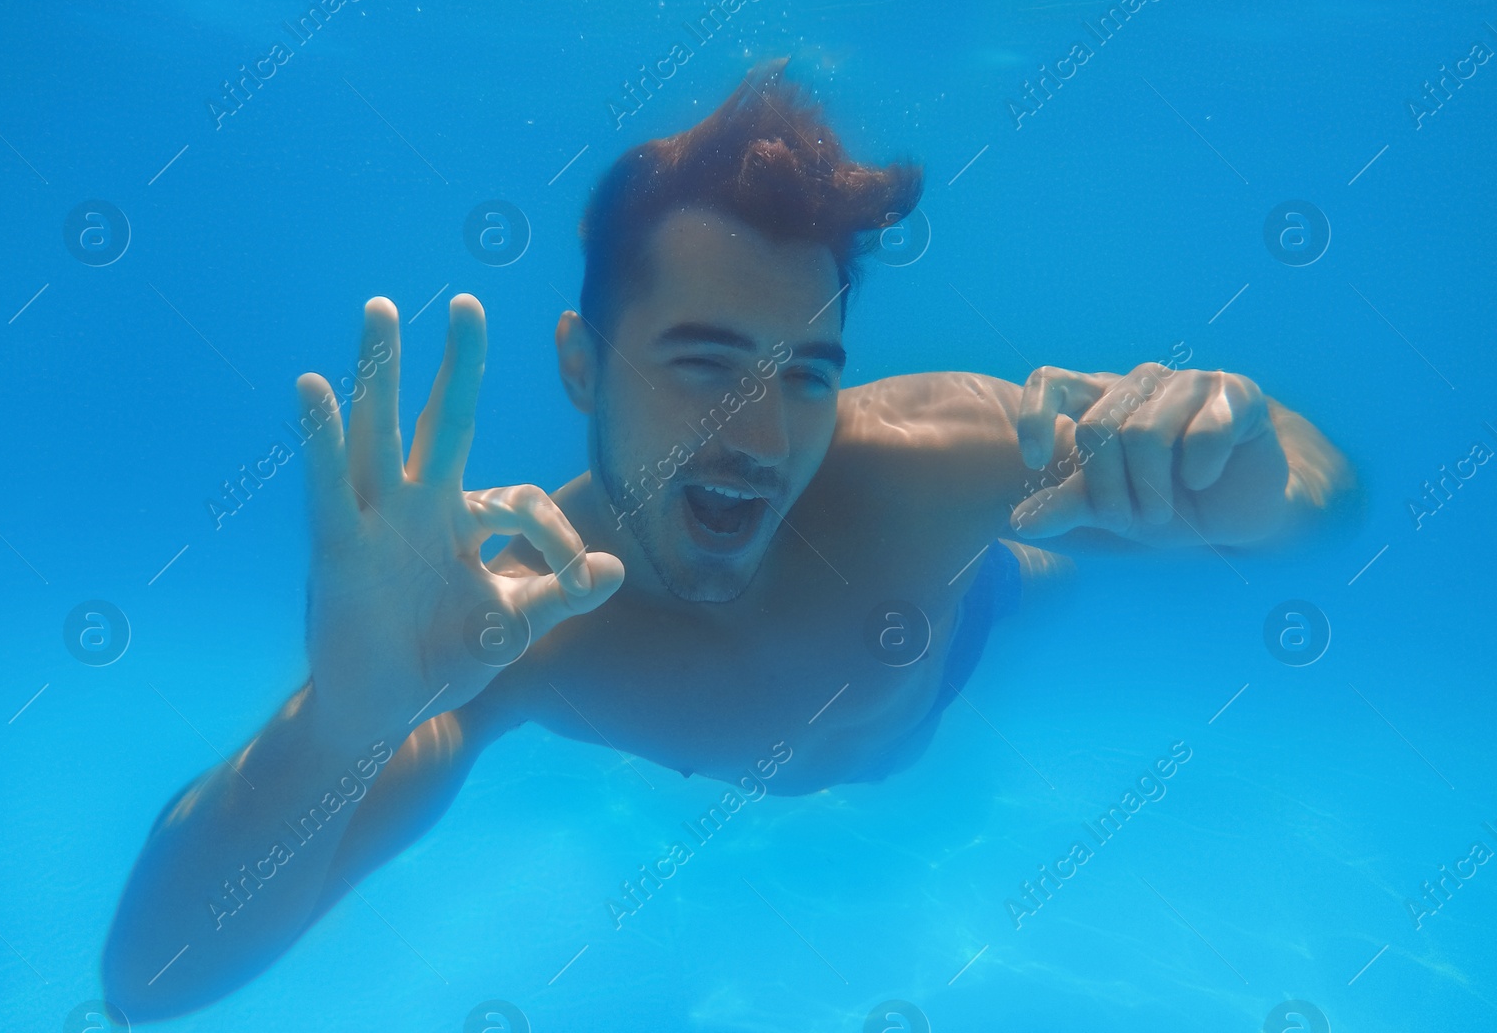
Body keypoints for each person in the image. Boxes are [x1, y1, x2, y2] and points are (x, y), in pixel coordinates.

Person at [100, 60, 1353, 1019]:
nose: (760, 438)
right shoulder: (513, 629)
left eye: (807, 371)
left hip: (948, 626)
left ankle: (1021, 572)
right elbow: (153, 981)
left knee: (1034, 571)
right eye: (703, 364)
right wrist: (343, 724)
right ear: (582, 368)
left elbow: (1315, 508)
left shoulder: (929, 465)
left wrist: (1237, 444)